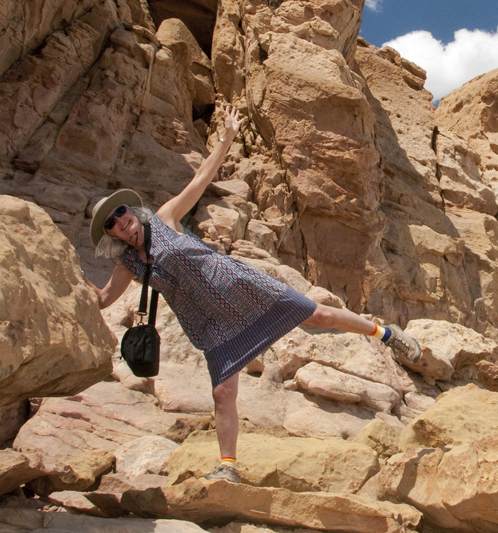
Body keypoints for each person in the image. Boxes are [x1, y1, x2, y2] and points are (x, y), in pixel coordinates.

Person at [86, 106, 422, 484]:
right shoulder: (126, 265)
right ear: (110, 234)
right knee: (222, 392)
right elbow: (101, 300)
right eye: (110, 223)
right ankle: (228, 466)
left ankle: (388, 335)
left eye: (120, 211)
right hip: (209, 323)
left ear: (130, 209)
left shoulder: (164, 218)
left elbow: (200, 178)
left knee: (319, 316)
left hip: (239, 285)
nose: (120, 220)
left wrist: (227, 137)